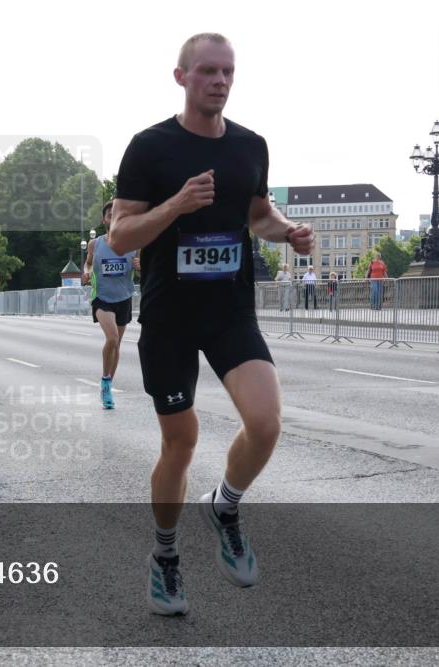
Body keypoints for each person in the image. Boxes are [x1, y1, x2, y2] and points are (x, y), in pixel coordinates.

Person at [108, 32, 314, 615]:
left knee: (267, 421)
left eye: (227, 72)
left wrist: (289, 232)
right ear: (182, 78)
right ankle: (166, 557)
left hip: (229, 312)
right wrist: (175, 205)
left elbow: (258, 214)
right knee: (182, 442)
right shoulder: (150, 148)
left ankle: (224, 504)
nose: (219, 81)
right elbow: (119, 236)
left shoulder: (251, 146)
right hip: (171, 317)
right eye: (207, 72)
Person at [82, 199, 140, 409]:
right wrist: (87, 273)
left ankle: (107, 383)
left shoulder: (134, 243)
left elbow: (144, 268)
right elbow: (88, 263)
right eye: (110, 215)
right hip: (102, 298)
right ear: (104, 220)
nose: (114, 218)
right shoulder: (95, 244)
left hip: (123, 297)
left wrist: (140, 266)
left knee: (117, 345)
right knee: (112, 338)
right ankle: (106, 381)